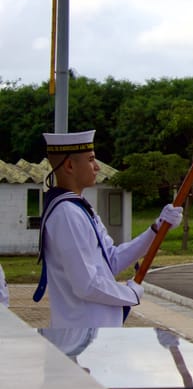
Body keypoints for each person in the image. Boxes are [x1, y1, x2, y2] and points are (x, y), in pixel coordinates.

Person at [33, 130, 182, 328]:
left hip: (96, 334)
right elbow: (85, 285)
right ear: (69, 165)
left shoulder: (80, 208)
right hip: (82, 337)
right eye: (91, 160)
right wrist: (128, 294)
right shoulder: (66, 213)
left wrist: (156, 229)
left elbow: (111, 260)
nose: (96, 167)